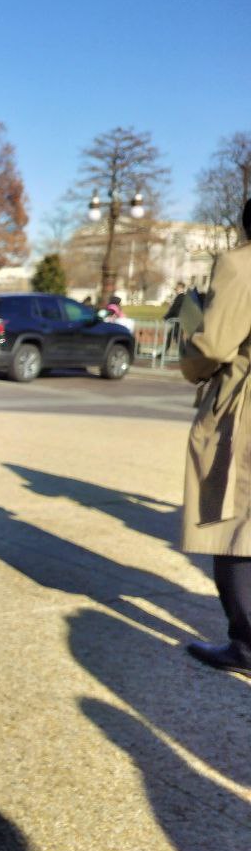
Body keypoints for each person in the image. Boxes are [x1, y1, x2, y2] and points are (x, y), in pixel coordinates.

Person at [182, 199, 251, 677]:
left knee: (233, 523)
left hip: (243, 411)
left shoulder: (240, 264)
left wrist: (190, 356)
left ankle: (246, 645)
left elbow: (213, 345)